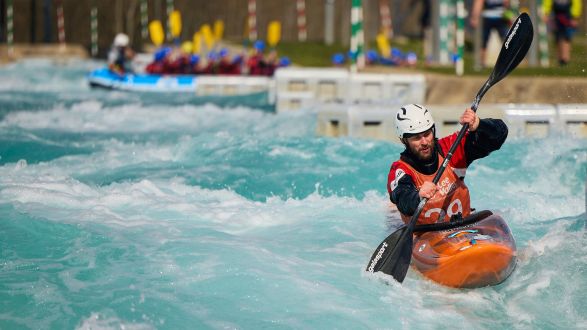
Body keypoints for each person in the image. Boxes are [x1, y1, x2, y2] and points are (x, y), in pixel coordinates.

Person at [387, 104, 508, 225]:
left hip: (463, 225)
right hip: (424, 236)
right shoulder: (400, 170)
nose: (424, 142)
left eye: (427, 134)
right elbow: (403, 198)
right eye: (416, 137)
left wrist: (480, 125)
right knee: (394, 209)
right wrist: (418, 196)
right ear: (404, 140)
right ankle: (390, 211)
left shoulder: (451, 148)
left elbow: (499, 135)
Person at [470, 0, 511, 68]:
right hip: (489, 17)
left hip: (500, 17)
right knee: (484, 42)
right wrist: (475, 17)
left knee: (507, 40)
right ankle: (482, 63)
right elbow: (479, 2)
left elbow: (506, 3)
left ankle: (507, 62)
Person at [543, 0, 582, 66]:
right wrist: (546, 13)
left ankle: (565, 59)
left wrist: (575, 16)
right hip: (556, 15)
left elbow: (576, 3)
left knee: (566, 38)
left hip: (568, 15)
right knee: (558, 38)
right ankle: (560, 59)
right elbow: (548, 2)